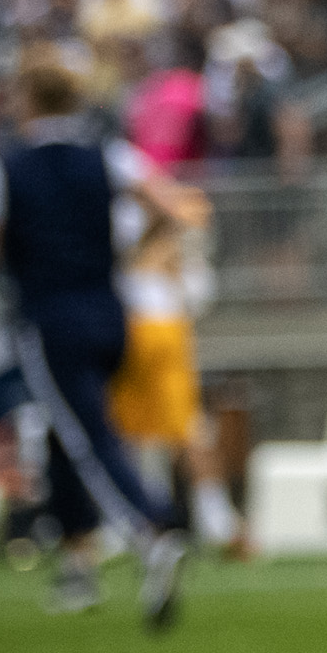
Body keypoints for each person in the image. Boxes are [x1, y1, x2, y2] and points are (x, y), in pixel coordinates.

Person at [0, 50, 200, 627]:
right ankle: (78, 567)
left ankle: (151, 529)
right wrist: (129, 254)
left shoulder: (0, 167)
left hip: (49, 317)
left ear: (28, 99)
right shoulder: (106, 154)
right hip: (111, 310)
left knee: (86, 435)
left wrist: (14, 271)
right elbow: (172, 205)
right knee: (67, 433)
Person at [107, 216, 244, 554]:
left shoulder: (181, 250)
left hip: (165, 341)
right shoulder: (123, 229)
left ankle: (219, 523)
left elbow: (197, 294)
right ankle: (129, 521)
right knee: (125, 435)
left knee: (187, 431)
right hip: (128, 339)